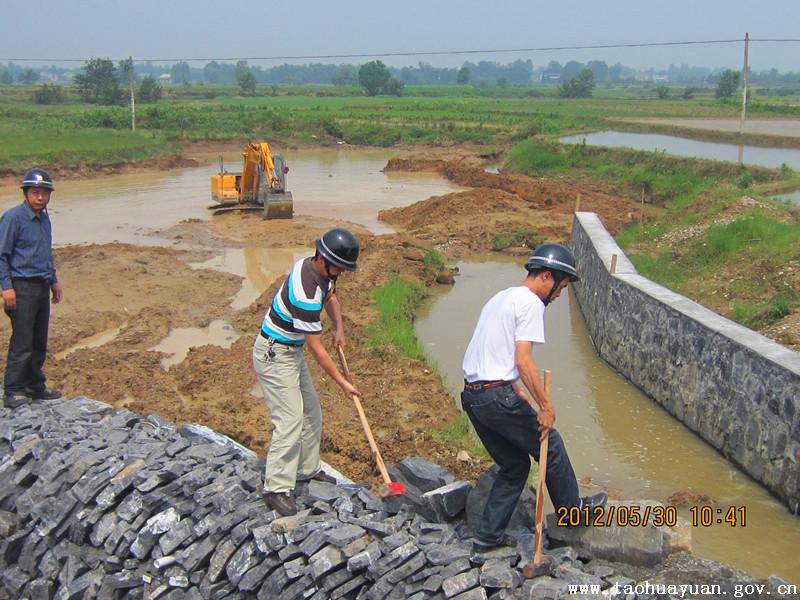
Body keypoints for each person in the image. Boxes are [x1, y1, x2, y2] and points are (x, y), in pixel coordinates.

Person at [461, 242, 607, 553]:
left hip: (474, 397)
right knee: (550, 445)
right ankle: (573, 512)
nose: (557, 295)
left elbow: (489, 355)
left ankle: (487, 538)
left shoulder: (501, 298)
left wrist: (518, 391)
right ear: (546, 277)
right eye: (560, 287)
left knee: (514, 465)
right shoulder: (529, 303)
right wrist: (546, 405)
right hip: (494, 396)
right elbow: (523, 360)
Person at [254, 228, 362, 516]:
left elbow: (331, 298)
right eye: (338, 266)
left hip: (291, 350)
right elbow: (317, 349)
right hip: (275, 353)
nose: (340, 272)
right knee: (289, 419)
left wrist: (339, 327)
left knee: (311, 411)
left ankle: (306, 470)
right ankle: (275, 487)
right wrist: (343, 383)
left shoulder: (323, 274)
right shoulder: (305, 290)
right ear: (323, 258)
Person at [0, 168, 63, 409]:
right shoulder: (13, 218)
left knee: (39, 340)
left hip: (41, 284)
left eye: (44, 193)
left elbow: (45, 253)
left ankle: (35, 385)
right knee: (22, 341)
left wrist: (54, 280)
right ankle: (13, 389)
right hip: (21, 286)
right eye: (35, 193)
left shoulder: (44, 219)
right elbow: (2, 256)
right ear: (26, 193)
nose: (40, 198)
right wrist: (7, 287)